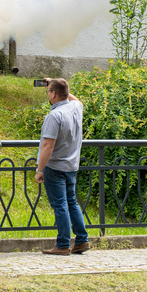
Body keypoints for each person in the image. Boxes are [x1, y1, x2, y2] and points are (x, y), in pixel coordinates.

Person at [36, 78, 90, 256]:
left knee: (60, 205)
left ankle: (63, 244)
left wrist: (40, 169)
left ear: (53, 94)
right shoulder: (75, 108)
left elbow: (48, 145)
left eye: (49, 90)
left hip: (55, 166)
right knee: (71, 202)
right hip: (72, 165)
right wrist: (58, 84)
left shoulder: (54, 116)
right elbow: (76, 100)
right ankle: (82, 240)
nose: (48, 93)